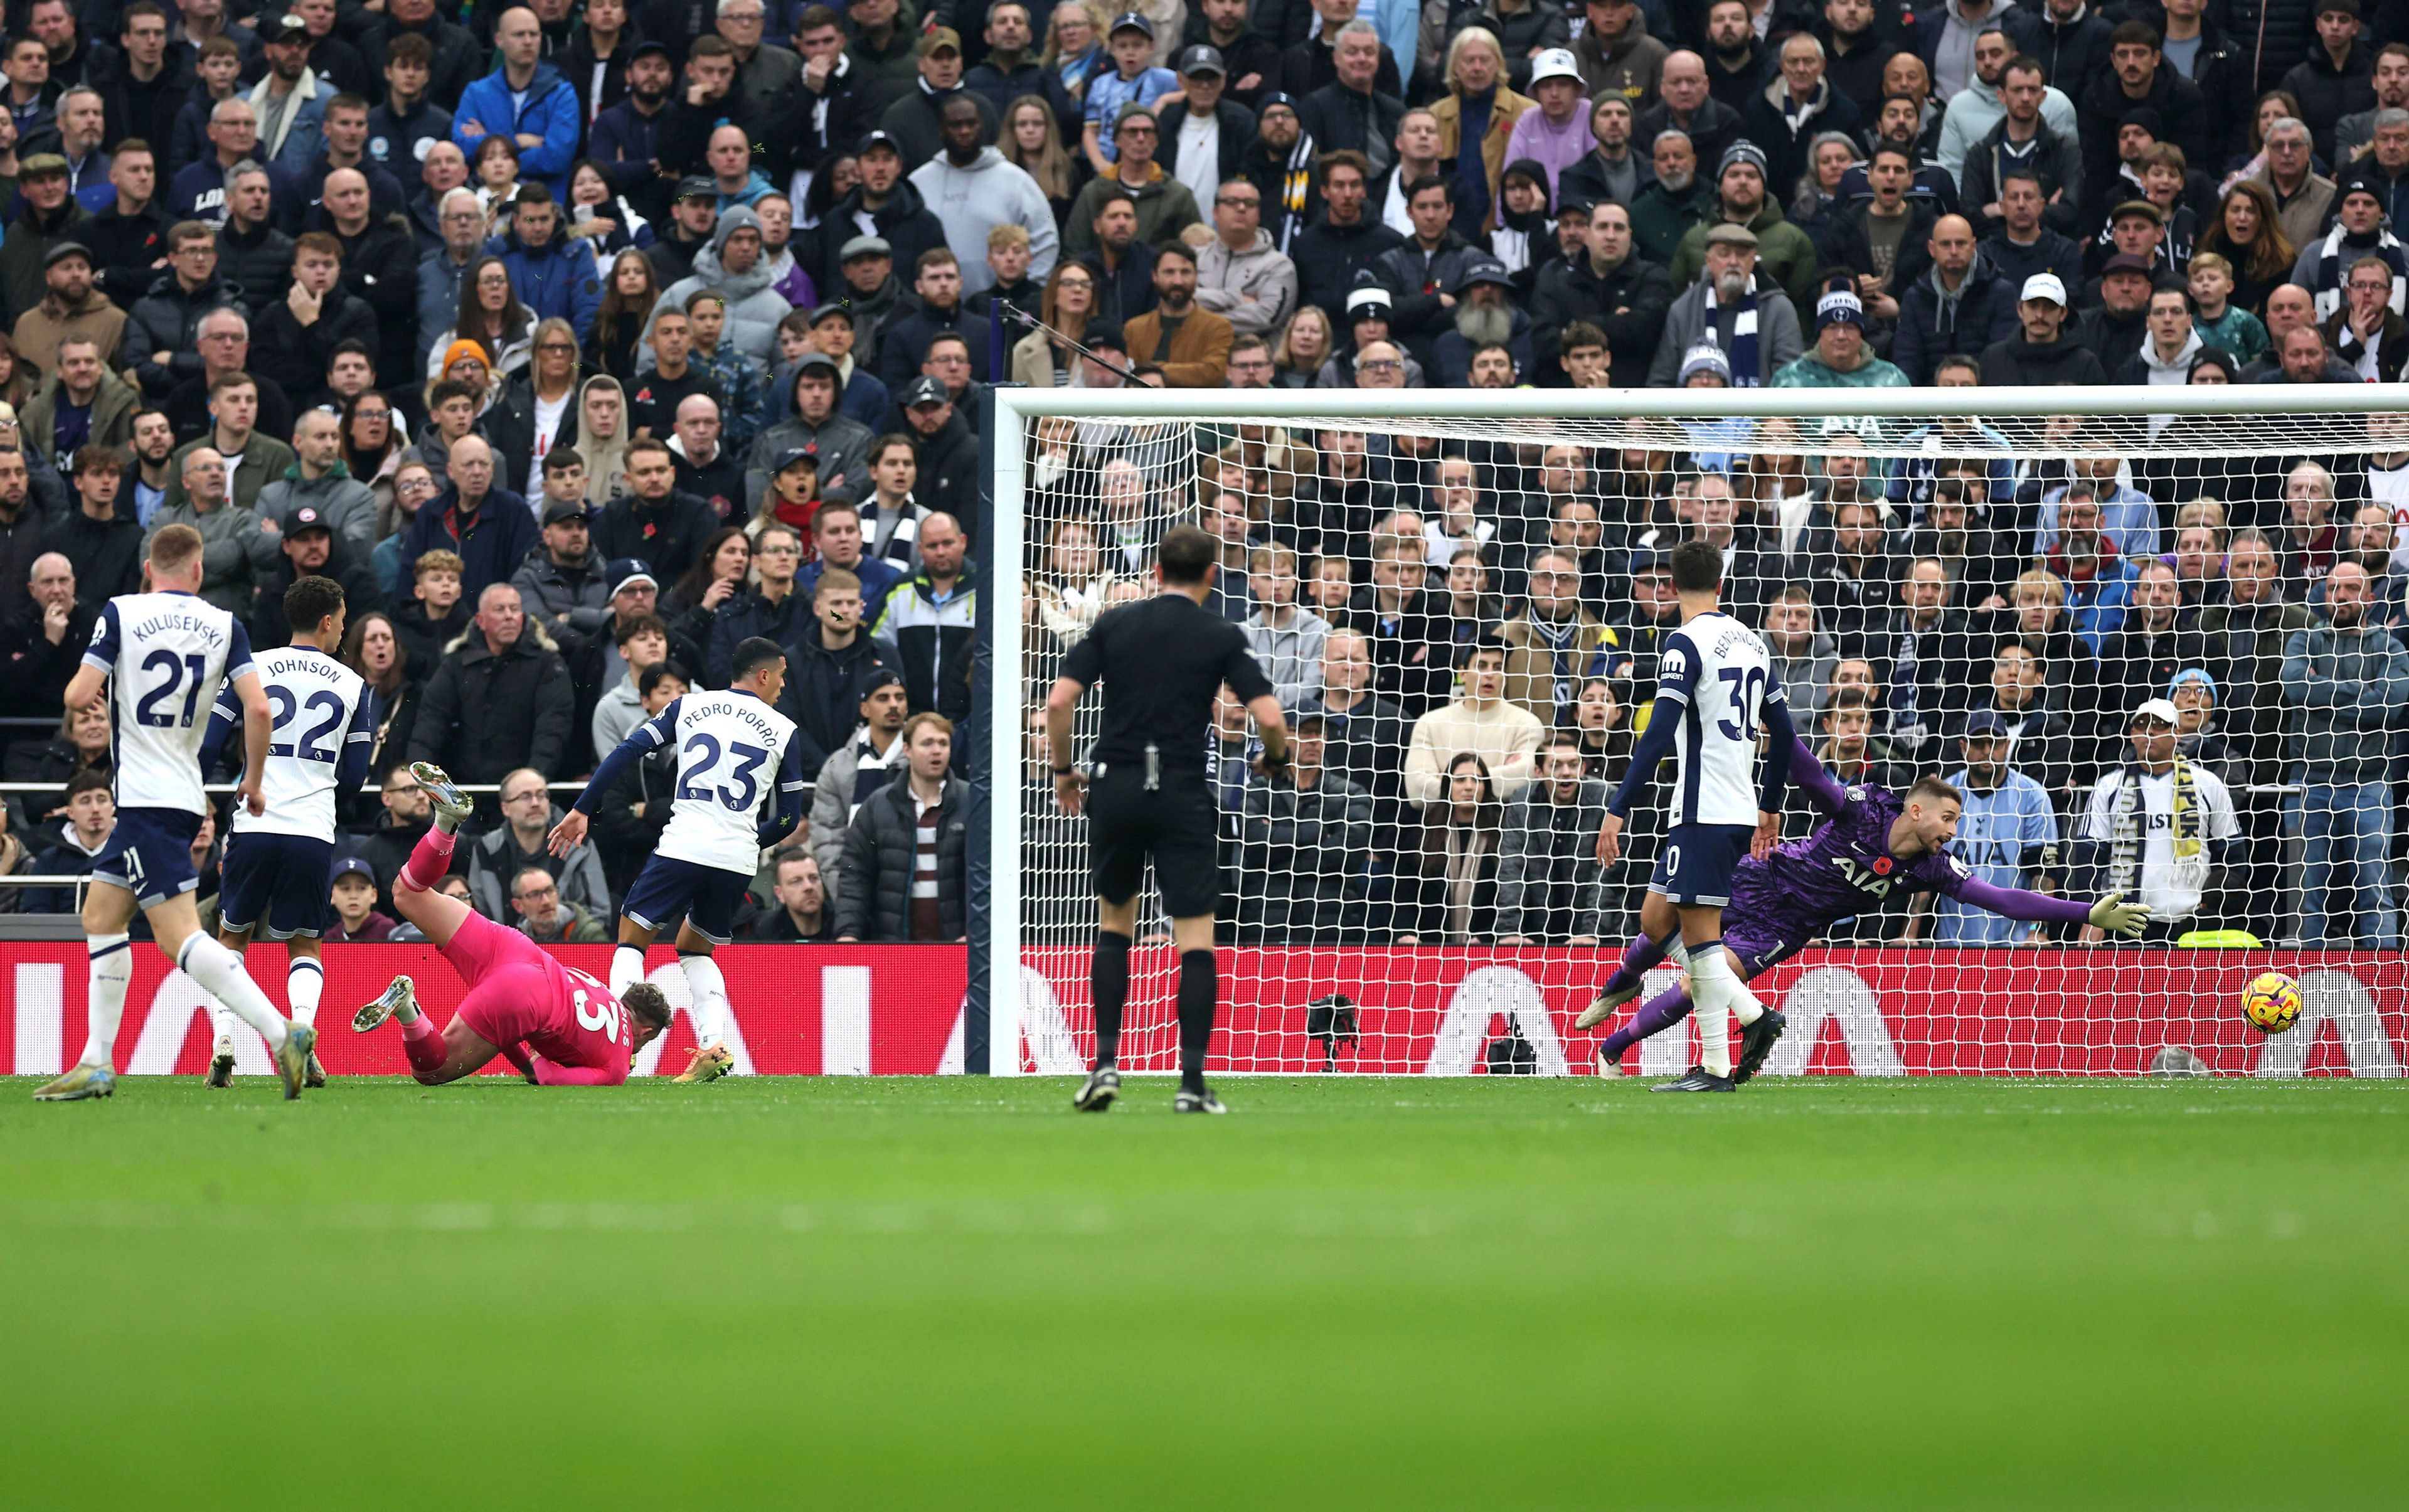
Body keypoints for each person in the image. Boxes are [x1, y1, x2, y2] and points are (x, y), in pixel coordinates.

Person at [1585, 735, 2151, 1072]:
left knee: (1702, 983)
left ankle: (1611, 1051)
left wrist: (2084, 912)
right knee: (1657, 919)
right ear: (1916, 810)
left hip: (1788, 924)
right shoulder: (1863, 811)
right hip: (1762, 875)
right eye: (1949, 819)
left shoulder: (1932, 867)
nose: (1954, 832)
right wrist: (1772, 715)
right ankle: (1623, 980)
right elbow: (1810, 774)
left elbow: (2004, 899)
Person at [32, 525, 316, 1102]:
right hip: (182, 795)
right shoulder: (225, 624)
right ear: (198, 569)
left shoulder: (121, 612)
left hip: (143, 800)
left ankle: (280, 1032)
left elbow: (75, 695)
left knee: (179, 935)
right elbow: (258, 709)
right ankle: (96, 1062)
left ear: (148, 568)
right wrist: (253, 783)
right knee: (103, 919)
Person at [1044, 522, 1285, 1113]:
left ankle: (1104, 1066)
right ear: (1211, 574)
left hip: (1117, 787)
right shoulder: (1220, 633)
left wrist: (1063, 770)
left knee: (1114, 928)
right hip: (1181, 789)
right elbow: (1272, 717)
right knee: (1195, 940)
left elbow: (1057, 700)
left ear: (1154, 571)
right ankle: (1192, 1084)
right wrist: (1272, 759)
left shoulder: (1115, 623)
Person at [1590, 538, 1796, 1093]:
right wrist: (1769, 806)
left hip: (1703, 810)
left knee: (1701, 940)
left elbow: (1658, 733)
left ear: (1672, 587)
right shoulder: (1754, 643)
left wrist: (1618, 808)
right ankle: (1746, 1016)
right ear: (1722, 585)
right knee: (1656, 921)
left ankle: (1722, 1060)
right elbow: (1786, 737)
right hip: (1732, 808)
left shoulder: (1683, 643)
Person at [553, 635, 804, 1080]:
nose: (783, 686)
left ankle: (616, 1044)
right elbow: (789, 820)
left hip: (684, 843)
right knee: (695, 948)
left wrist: (582, 809)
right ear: (764, 675)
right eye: (782, 676)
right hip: (736, 860)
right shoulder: (785, 732)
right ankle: (713, 1046)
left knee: (631, 939)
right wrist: (748, 840)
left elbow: (628, 751)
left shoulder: (688, 706)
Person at [351, 762, 671, 1085]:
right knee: (433, 1070)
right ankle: (407, 1009)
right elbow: (546, 1076)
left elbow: (513, 1026)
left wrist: (525, 1053)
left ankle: (446, 823)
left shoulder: (599, 990)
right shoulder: (617, 1064)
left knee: (407, 894)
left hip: (514, 948)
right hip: (525, 994)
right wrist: (535, 1063)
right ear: (647, 1032)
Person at [198, 571, 370, 1088]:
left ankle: (224, 1042)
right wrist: (321, 798)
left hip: (254, 820)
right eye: (342, 622)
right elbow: (357, 775)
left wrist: (223, 790)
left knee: (232, 938)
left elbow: (209, 744)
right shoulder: (353, 684)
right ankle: (301, 1036)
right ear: (325, 621)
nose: (343, 632)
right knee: (305, 944)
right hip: (311, 830)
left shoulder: (252, 669)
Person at [2281, 560, 2409, 947]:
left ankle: (2385, 986)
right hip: (2309, 782)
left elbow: (2388, 704)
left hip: (2368, 783)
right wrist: (2360, 691)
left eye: (2352, 589)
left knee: (2375, 888)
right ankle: (2300, 987)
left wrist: (2328, 692)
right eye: (2335, 587)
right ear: (2324, 594)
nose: (2342, 596)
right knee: (2305, 896)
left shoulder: (2391, 645)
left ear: (2370, 598)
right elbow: (2296, 687)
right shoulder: (2305, 639)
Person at [2073, 697, 2240, 944]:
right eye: (2141, 725)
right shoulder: (2108, 787)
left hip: (2191, 926)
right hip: (2123, 926)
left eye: (2160, 725)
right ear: (2131, 735)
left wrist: (2211, 906)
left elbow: (2233, 857)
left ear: (2178, 734)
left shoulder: (2208, 784)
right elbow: (2088, 859)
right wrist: (2090, 917)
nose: (2149, 731)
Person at [738, 846, 839, 940]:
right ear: (779, 893)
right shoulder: (764, 933)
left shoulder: (843, 927)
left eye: (814, 878)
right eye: (796, 881)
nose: (809, 887)